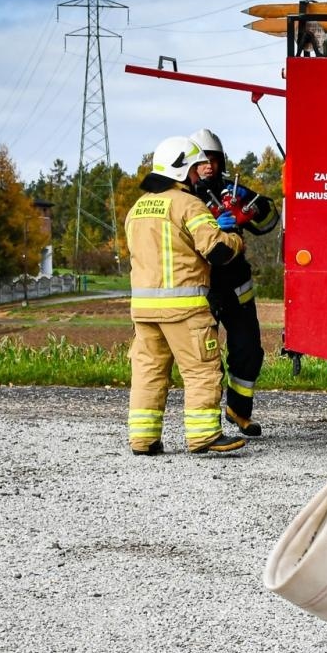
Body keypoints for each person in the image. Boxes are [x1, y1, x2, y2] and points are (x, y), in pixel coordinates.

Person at [123, 135, 248, 455]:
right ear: (180, 170)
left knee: (149, 373)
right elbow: (218, 251)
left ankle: (143, 439)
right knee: (202, 370)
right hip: (184, 308)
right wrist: (233, 237)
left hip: (144, 310)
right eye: (193, 170)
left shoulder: (136, 209)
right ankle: (204, 436)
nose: (197, 176)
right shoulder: (188, 204)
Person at [189, 127, 281, 437]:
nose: (209, 167)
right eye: (202, 161)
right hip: (203, 285)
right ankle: (206, 422)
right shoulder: (183, 197)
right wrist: (214, 225)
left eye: (213, 160)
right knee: (206, 357)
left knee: (249, 350)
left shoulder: (231, 189)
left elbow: (268, 223)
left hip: (236, 286)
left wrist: (253, 210)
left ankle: (239, 411)